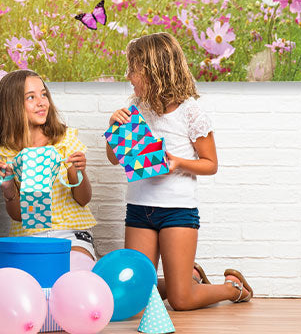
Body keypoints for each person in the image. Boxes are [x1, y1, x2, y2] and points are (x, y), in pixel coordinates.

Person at [107, 32, 253, 310]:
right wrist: (114, 127)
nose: (128, 76)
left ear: (153, 72)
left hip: (177, 211)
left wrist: (177, 163)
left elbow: (210, 164)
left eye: (133, 70)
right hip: (139, 209)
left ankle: (233, 289)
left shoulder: (190, 112)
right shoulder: (135, 108)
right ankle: (189, 278)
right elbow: (115, 159)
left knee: (180, 300)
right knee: (136, 293)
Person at [0, 69, 96, 260]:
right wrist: (8, 189)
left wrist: (79, 171)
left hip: (71, 234)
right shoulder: (5, 154)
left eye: (43, 94)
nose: (41, 102)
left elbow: (83, 199)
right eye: (31, 97)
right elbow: (17, 216)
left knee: (75, 268)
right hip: (29, 237)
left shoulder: (65, 139)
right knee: (31, 274)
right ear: (12, 106)